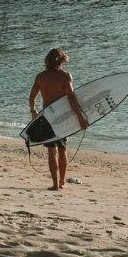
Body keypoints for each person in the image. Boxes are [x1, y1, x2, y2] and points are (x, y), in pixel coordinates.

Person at [29, 48, 89, 191]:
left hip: (47, 117)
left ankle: (55, 184)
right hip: (62, 118)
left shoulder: (40, 77)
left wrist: (33, 112)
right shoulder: (65, 76)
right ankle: (62, 183)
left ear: (46, 61)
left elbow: (32, 97)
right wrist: (80, 118)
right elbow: (71, 99)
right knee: (62, 150)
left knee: (51, 151)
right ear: (62, 60)